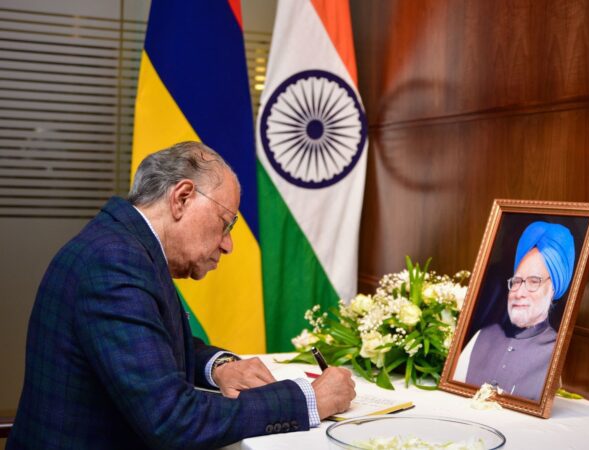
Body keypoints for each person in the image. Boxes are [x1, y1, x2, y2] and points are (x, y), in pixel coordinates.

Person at [7, 142, 356, 449]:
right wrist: (308, 399)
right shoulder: (115, 263)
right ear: (182, 197)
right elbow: (172, 420)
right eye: (225, 222)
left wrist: (219, 366)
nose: (228, 244)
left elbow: (153, 346)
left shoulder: (128, 246)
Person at [453, 221, 575, 402]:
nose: (519, 293)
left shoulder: (558, 353)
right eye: (517, 281)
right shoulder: (481, 337)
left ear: (554, 290)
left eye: (534, 282)